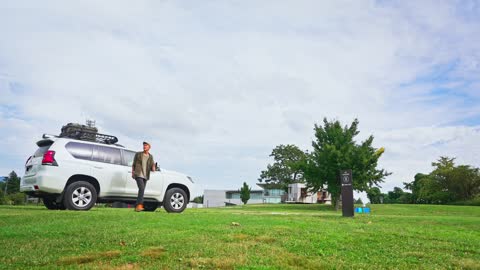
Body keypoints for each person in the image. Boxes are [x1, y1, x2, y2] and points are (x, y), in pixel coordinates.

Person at [132, 141, 155, 212]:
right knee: (141, 189)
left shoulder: (150, 157)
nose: (144, 146)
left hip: (146, 176)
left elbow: (152, 167)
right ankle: (139, 205)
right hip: (138, 174)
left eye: (146, 145)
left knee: (141, 190)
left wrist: (154, 167)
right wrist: (133, 172)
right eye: (144, 145)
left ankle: (136, 207)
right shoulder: (138, 154)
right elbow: (133, 164)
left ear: (149, 147)